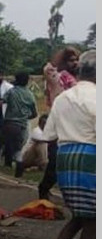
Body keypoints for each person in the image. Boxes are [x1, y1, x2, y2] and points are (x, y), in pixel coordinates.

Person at [34, 50, 95, 239]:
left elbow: (48, 135)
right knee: (92, 223)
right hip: (90, 158)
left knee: (81, 216)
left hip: (65, 159)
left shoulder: (63, 98)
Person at [38, 47, 81, 200]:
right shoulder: (59, 77)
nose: (75, 63)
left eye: (77, 60)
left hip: (74, 124)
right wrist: (63, 52)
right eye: (71, 60)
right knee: (57, 160)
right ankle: (44, 189)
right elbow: (49, 69)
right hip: (59, 123)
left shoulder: (77, 79)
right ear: (64, 61)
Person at [0, 71, 37, 177]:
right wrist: (25, 117)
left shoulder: (11, 92)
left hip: (8, 123)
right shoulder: (30, 95)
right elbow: (34, 114)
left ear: (16, 80)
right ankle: (19, 166)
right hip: (22, 126)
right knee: (18, 148)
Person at [16, 114, 49, 178]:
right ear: (41, 123)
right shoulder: (36, 131)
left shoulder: (47, 132)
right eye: (44, 123)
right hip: (26, 157)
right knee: (41, 144)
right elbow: (45, 140)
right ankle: (44, 165)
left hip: (36, 159)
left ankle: (41, 166)